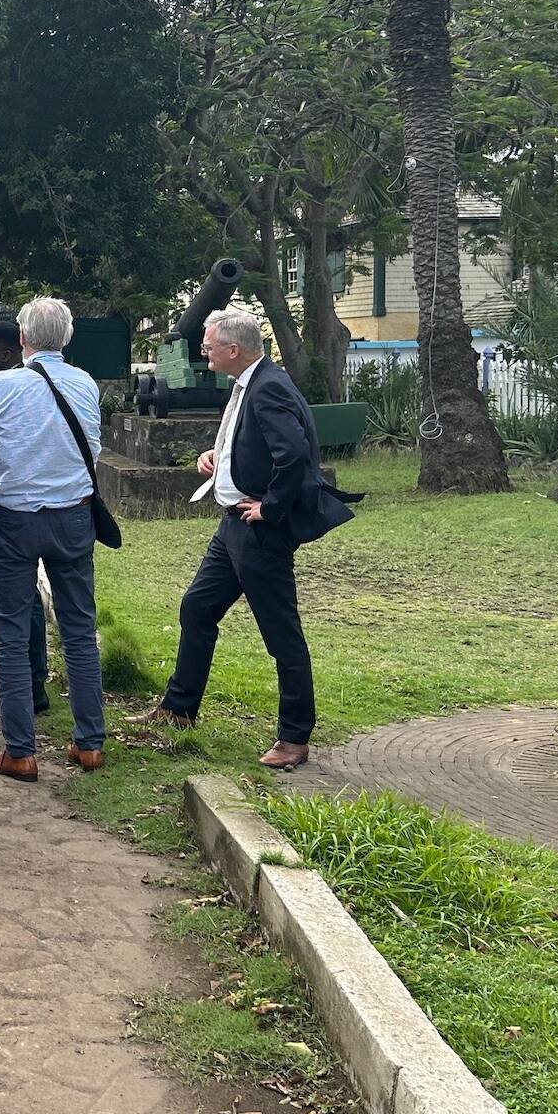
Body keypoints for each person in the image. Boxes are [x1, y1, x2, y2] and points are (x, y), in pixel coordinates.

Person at [148, 308, 358, 770]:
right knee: (197, 608)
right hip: (232, 529)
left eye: (208, 346)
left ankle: (294, 737)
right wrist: (217, 456)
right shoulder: (252, 382)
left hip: (259, 531)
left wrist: (270, 509)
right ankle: (180, 709)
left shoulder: (269, 388)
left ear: (233, 349)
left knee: (281, 635)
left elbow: (294, 454)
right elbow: (257, 444)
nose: (203, 352)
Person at [0, 299, 107, 782]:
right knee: (78, 630)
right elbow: (93, 444)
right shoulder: (85, 383)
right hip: (74, 513)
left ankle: (20, 750)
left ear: (23, 339)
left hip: (13, 516)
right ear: (66, 339)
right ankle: (89, 742)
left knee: (11, 630)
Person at [0, 320, 50, 719]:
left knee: (16, 600)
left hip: (10, 506)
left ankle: (28, 686)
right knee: (14, 597)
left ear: (9, 353)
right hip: (22, 503)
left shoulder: (1, 387)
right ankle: (17, 677)